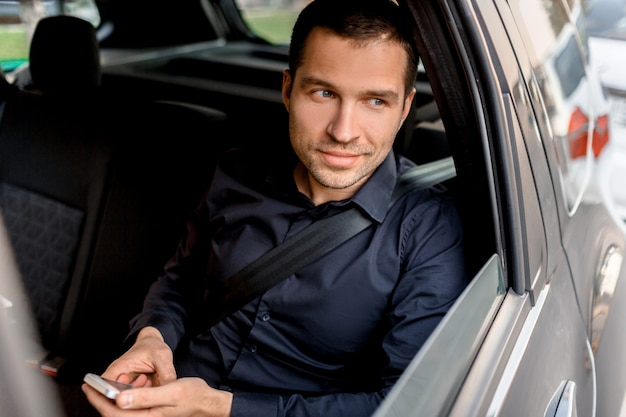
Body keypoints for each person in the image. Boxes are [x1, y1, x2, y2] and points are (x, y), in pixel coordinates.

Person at [82, 0, 468, 416]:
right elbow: (179, 282)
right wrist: (152, 338)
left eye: (375, 101)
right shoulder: (236, 172)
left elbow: (405, 404)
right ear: (288, 89)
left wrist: (218, 408)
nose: (343, 131)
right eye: (323, 92)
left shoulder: (430, 231)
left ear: (405, 108)